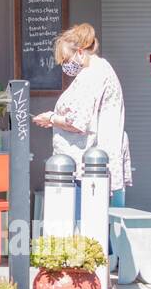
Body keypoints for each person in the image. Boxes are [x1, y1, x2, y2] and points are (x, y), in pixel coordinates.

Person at [32, 23, 132, 204]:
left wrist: (52, 118)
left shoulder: (91, 75)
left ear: (79, 52)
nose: (64, 65)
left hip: (89, 169)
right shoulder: (102, 68)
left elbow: (78, 122)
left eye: (65, 59)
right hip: (99, 164)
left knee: (86, 224)